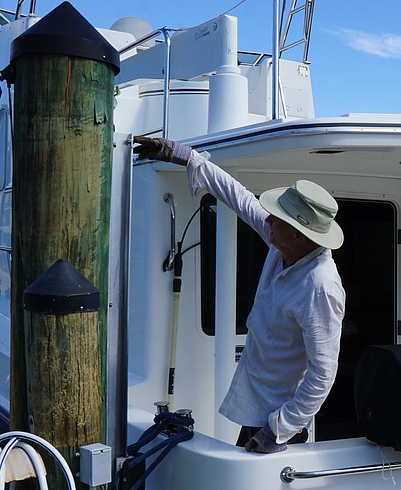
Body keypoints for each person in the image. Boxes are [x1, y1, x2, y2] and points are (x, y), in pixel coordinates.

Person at [133, 136, 346, 454]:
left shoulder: (320, 287)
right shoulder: (282, 242)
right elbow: (241, 200)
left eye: (278, 217)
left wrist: (278, 429)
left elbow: (323, 373)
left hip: (277, 425)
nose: (269, 219)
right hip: (257, 412)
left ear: (300, 235)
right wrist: (184, 156)